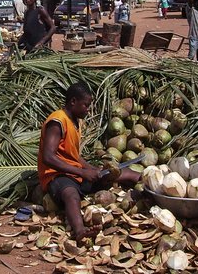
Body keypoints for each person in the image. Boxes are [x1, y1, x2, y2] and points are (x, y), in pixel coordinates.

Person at [38, 81, 139, 241]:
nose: (88, 109)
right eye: (86, 105)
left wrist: (91, 170)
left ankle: (145, 183)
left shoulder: (77, 122)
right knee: (71, 195)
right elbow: (48, 157)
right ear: (73, 102)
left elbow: (73, 155)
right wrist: (81, 172)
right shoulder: (57, 121)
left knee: (114, 173)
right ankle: (79, 230)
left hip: (74, 173)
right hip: (56, 176)